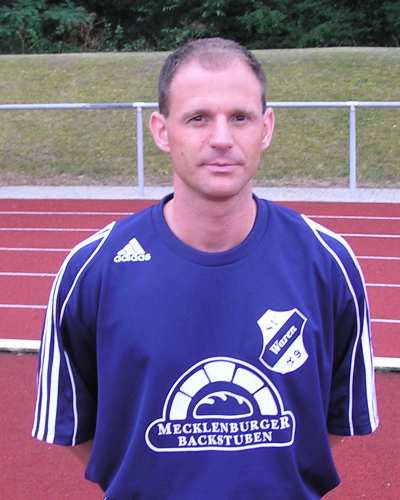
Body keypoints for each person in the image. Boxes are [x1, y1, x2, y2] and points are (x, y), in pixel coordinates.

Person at [32, 38, 378, 499]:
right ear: (161, 131)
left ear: (266, 128)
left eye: (240, 117)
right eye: (198, 118)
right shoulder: (91, 271)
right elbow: (80, 430)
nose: (221, 138)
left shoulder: (328, 263)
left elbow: (328, 425)